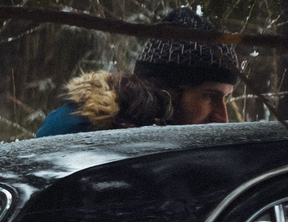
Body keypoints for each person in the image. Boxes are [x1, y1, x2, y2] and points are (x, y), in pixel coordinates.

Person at [35, 10, 241, 135]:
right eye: (209, 96)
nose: (223, 117)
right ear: (168, 92)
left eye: (226, 98)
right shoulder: (82, 129)